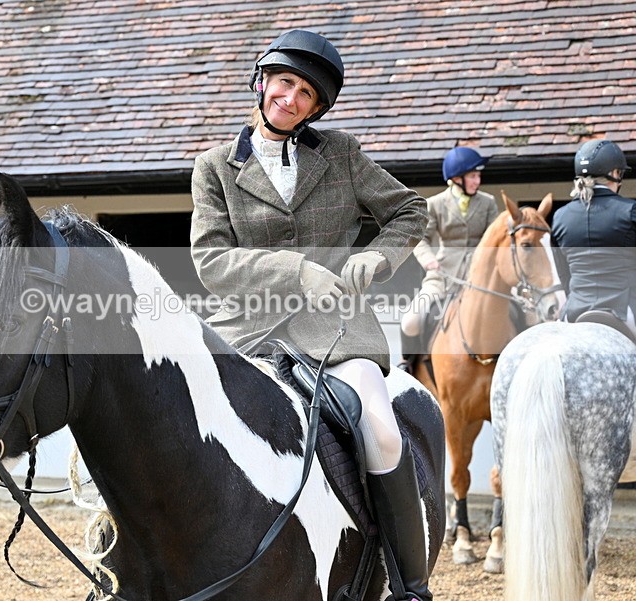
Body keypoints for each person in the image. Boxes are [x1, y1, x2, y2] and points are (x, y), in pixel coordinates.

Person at [190, 29, 432, 601]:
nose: (292, 98)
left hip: (338, 332)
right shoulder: (215, 166)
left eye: (307, 93)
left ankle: (408, 584)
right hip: (245, 331)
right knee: (169, 409)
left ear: (316, 108)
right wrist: (296, 271)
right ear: (263, 82)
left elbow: (410, 210)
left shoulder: (342, 154)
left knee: (381, 430)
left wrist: (376, 257)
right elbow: (209, 260)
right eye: (285, 83)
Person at [398, 146, 499, 372]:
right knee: (411, 321)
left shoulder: (488, 202)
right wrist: (429, 260)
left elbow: (493, 239)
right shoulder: (435, 204)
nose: (477, 180)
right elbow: (420, 239)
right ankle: (408, 365)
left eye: (478, 176)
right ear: (456, 178)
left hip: (479, 278)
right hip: (442, 276)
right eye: (473, 176)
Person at [551, 138, 636, 337]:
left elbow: (565, 277)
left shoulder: (560, 217)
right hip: (625, 311)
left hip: (573, 313)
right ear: (615, 174)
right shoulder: (630, 211)